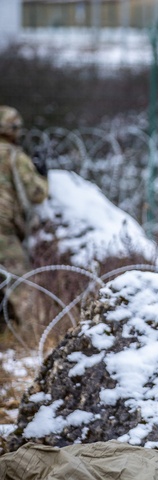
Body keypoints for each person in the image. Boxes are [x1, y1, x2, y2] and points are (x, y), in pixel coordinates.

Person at [0, 105, 48, 329]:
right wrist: (42, 174)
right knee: (22, 288)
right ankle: (28, 338)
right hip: (3, 231)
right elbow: (36, 194)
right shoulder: (13, 156)